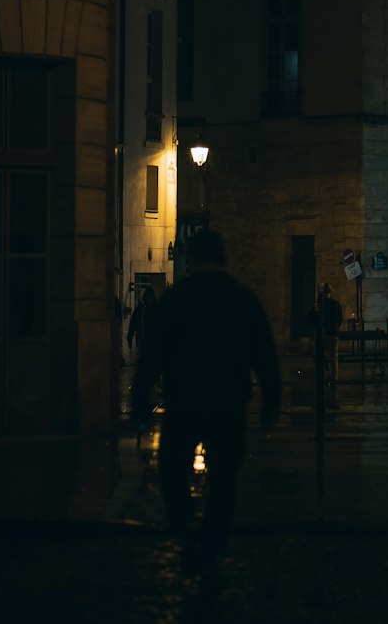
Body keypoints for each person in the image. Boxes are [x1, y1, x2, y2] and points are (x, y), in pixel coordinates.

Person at [131, 229, 281, 578]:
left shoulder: (175, 298)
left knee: (172, 472)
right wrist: (271, 401)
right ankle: (212, 543)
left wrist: (140, 400)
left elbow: (151, 355)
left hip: (183, 400)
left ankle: (186, 529)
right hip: (228, 402)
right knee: (224, 478)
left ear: (192, 260)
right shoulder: (242, 298)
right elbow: (265, 354)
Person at [305, 282, 344, 384]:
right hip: (333, 333)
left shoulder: (318, 304)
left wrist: (316, 326)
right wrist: (335, 328)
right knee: (333, 357)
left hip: (321, 333)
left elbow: (308, 318)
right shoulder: (336, 304)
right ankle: (333, 378)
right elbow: (340, 318)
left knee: (320, 357)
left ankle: (323, 376)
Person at [127, 286, 156, 357]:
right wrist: (130, 337)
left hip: (152, 341)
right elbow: (132, 324)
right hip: (143, 340)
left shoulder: (156, 310)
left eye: (149, 297)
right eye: (147, 297)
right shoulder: (141, 310)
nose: (148, 299)